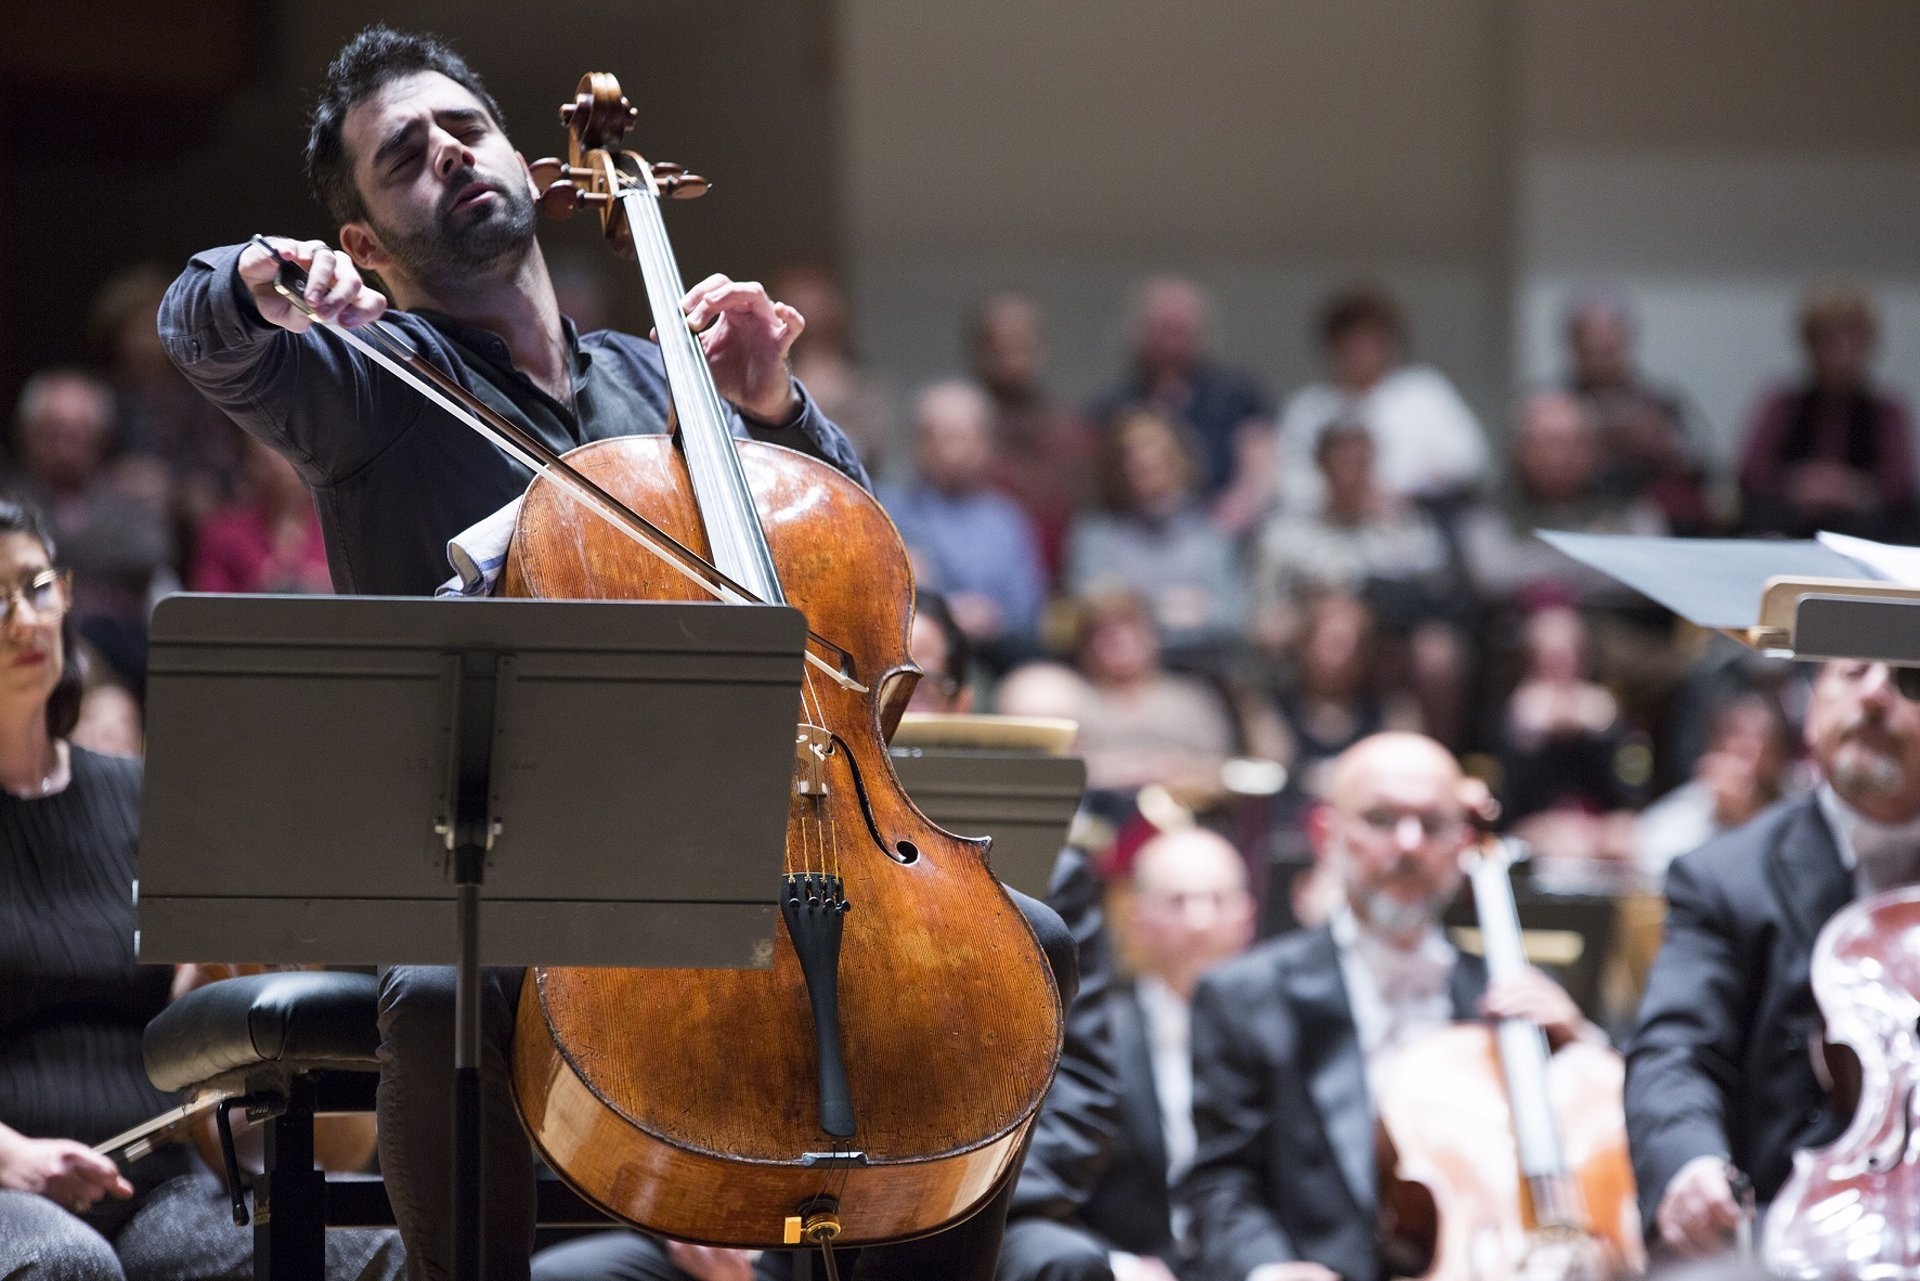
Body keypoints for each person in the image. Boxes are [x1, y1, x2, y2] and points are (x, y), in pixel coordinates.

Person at [158, 30, 1069, 1280]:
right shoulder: (365, 382)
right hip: (520, 864)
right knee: (439, 990)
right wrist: (260, 274)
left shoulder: (661, 378)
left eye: (465, 129)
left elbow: (846, 558)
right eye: (404, 157)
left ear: (527, 164)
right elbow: (204, 333)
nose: (448, 156)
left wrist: (776, 406)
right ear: (363, 243)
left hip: (744, 834)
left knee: (1026, 945)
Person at [0, 499, 401, 1279]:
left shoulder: (143, 797)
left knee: (363, 1249)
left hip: (153, 1184)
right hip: (12, 1183)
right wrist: (15, 1156)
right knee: (67, 1263)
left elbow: (185, 1004)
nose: (23, 619)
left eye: (36, 586)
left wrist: (242, 953)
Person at [1184, 733, 1595, 1281]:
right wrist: (1269, 1269)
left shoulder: (1518, 997)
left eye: (1433, 823)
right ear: (1325, 835)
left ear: (1463, 841)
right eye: (1380, 819)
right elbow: (1221, 1185)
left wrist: (1587, 1053)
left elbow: (1594, 1160)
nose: (1408, 844)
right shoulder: (1243, 997)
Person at [1625, 660, 1920, 1261]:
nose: (1874, 693)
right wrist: (1692, 1163)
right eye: (1852, 670)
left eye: (1910, 677)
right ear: (1809, 711)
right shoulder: (1725, 878)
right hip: (1780, 1235)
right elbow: (1676, 1051)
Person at [1004, 826, 1256, 1281]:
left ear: (1249, 916)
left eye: (1218, 900)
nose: (1200, 921)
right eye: (1177, 901)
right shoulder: (1090, 1040)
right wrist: (1118, 1264)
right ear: (1135, 919)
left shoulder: (1281, 1034)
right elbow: (1058, 1180)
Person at [1273, 286, 1488, 516]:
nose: (1362, 352)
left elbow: (1468, 461)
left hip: (1416, 522)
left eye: (1371, 342)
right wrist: (1344, 498)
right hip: (1327, 526)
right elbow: (1287, 478)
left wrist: (1402, 493)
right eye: (1351, 342)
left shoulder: (1423, 393)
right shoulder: (1308, 408)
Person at [881, 381, 1047, 669]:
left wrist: (993, 617)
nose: (953, 451)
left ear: (986, 443)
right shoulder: (889, 512)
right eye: (941, 437)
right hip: (916, 662)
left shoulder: (1006, 520)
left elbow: (1029, 606)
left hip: (998, 658)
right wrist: (945, 611)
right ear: (919, 443)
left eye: (963, 437)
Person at [1067, 405, 1244, 668]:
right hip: (1115, 671)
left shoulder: (1209, 535)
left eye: (1155, 464)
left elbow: (1234, 618)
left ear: (1178, 464)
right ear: (1116, 470)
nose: (1145, 474)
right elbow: (1088, 610)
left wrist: (1131, 606)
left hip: (1199, 670)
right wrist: (1164, 609)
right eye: (1135, 466)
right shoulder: (1096, 534)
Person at [1737, 283, 1917, 541]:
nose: (1840, 353)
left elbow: (1899, 484)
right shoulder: (1783, 405)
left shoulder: (1886, 411)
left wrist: (1853, 489)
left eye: (1851, 339)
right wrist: (1798, 485)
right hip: (1793, 528)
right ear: (1810, 345)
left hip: (1866, 533)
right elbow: (1751, 472)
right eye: (1828, 340)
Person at [1091, 277, 1273, 528]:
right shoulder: (1112, 407)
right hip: (1133, 532)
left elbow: (1261, 463)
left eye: (1181, 330)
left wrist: (1239, 507)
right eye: (1162, 329)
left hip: (1224, 530)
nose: (1171, 344)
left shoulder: (1236, 396)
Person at [969, 293, 1095, 586]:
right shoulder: (959, 436)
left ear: (1042, 350)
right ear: (980, 352)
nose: (1011, 358)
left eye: (1022, 344)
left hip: (1064, 587)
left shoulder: (1071, 435)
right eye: (1000, 345)